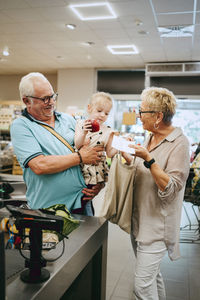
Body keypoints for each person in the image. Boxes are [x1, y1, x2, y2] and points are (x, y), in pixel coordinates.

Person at [123, 87, 190, 300]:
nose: (138, 116)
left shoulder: (179, 143)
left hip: (157, 226)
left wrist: (148, 159)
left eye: (142, 111)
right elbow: (144, 172)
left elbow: (171, 188)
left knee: (141, 287)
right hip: (140, 220)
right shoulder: (150, 138)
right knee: (153, 277)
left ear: (158, 116)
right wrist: (129, 159)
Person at [10, 72, 104, 215]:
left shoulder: (68, 120)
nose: (52, 102)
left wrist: (97, 183)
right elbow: (39, 165)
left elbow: (90, 152)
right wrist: (79, 157)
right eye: (45, 99)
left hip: (82, 204)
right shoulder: (21, 126)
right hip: (48, 210)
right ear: (27, 101)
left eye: (53, 96)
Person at [73, 92, 118, 215]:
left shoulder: (109, 131)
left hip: (96, 170)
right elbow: (77, 145)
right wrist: (84, 133)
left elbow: (110, 153)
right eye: (99, 111)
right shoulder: (81, 124)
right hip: (80, 168)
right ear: (89, 108)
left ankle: (84, 217)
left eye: (106, 113)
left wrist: (120, 146)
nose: (102, 115)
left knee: (86, 197)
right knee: (79, 198)